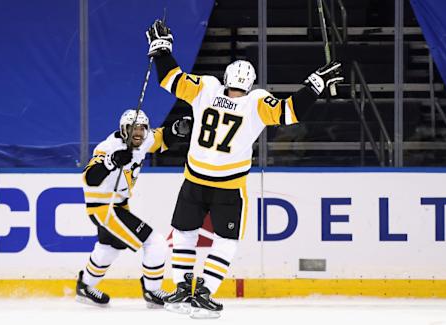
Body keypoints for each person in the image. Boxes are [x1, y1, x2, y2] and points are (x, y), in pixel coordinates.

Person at [146, 20, 344, 318]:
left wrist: (162, 50)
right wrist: (314, 85)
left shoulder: (207, 88)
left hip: (194, 179)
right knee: (226, 241)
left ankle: (182, 291)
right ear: (249, 83)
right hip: (228, 186)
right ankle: (203, 293)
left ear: (226, 78)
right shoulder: (256, 101)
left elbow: (170, 79)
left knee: (185, 233)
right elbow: (290, 111)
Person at [75, 108, 191, 307]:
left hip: (118, 206)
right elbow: (89, 178)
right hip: (105, 208)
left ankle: (85, 286)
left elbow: (161, 137)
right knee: (155, 243)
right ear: (123, 129)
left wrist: (177, 128)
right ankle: (153, 291)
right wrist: (111, 162)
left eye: (141, 128)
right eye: (133, 128)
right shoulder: (108, 147)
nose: (138, 132)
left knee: (110, 247)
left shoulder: (144, 139)